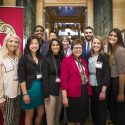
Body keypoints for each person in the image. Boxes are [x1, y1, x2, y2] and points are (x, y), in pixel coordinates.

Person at [60, 39, 92, 125]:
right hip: (72, 94)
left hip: (84, 92)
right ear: (72, 49)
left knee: (81, 118)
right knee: (72, 118)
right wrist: (64, 97)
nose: (78, 50)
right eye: (75, 48)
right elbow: (63, 80)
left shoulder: (83, 61)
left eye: (80, 48)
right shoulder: (66, 61)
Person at [18, 36, 44, 125]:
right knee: (30, 114)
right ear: (28, 45)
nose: (34, 45)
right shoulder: (23, 58)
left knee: (41, 112)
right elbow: (21, 77)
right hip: (29, 89)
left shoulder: (41, 57)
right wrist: (25, 94)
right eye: (32, 43)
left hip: (40, 89)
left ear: (39, 45)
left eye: (36, 43)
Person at [88, 36, 111, 125]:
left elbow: (107, 74)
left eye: (98, 43)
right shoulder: (89, 55)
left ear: (101, 45)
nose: (96, 45)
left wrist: (103, 91)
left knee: (101, 110)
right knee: (94, 109)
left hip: (100, 86)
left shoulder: (104, 56)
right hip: (91, 86)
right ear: (91, 44)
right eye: (94, 43)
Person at [0, 34, 21, 125]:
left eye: (16, 42)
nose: (13, 44)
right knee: (8, 120)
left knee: (16, 117)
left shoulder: (19, 56)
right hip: (7, 94)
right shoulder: (1, 57)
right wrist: (1, 98)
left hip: (18, 93)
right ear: (6, 42)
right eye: (11, 41)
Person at [42, 38, 63, 125]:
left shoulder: (62, 57)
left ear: (60, 46)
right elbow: (45, 77)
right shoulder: (46, 59)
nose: (55, 47)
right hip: (50, 91)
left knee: (57, 116)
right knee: (50, 117)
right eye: (53, 45)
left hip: (61, 90)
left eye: (57, 45)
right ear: (50, 47)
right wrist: (46, 94)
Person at [107, 28, 125, 125]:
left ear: (119, 38)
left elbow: (122, 73)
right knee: (113, 110)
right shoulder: (112, 49)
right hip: (113, 83)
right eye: (111, 35)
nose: (112, 37)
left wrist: (121, 92)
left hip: (118, 82)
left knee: (119, 112)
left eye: (115, 36)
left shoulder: (120, 50)